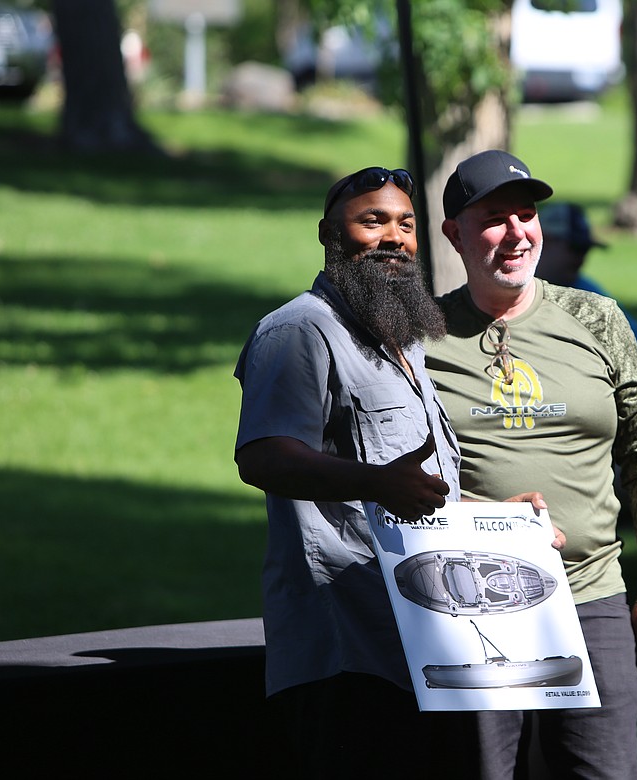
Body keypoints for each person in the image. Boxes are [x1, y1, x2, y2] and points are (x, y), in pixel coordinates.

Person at [232, 166, 549, 777]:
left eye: (406, 224)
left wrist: (496, 522)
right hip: (348, 644)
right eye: (372, 220)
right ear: (329, 234)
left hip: (428, 642)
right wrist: (375, 483)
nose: (395, 238)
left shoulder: (406, 339)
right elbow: (263, 455)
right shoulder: (300, 329)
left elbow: (414, 488)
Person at [425, 149, 637, 779]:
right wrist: (480, 515)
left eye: (527, 215)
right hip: (471, 600)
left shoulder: (597, 318)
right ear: (454, 233)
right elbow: (388, 472)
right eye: (494, 218)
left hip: (593, 593)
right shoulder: (420, 336)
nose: (517, 232)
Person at [536, 200, 637, 356]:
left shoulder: (585, 289)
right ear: (545, 240)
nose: (581, 259)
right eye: (575, 248)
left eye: (585, 250)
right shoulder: (510, 287)